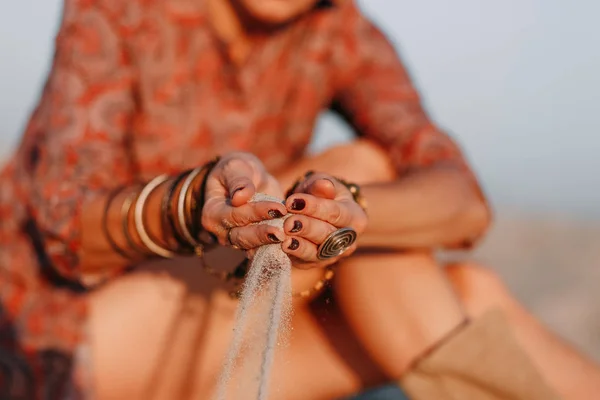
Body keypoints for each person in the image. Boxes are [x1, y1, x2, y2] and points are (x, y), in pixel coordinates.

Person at [1, 0, 599, 398]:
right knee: (363, 168)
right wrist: (191, 205)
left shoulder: (338, 33)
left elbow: (465, 203)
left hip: (218, 315)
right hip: (66, 336)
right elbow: (65, 230)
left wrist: (349, 214)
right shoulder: (120, 11)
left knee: (472, 290)